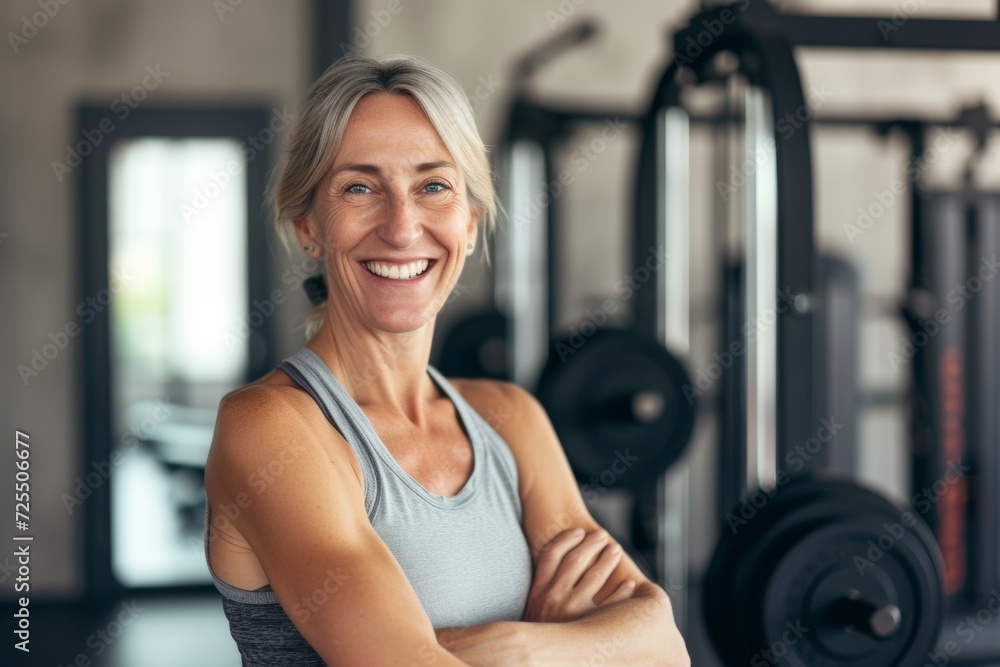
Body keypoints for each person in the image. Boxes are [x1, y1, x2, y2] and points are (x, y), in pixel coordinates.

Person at [203, 54, 690, 666]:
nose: (403, 228)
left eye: (434, 186)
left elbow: (663, 650)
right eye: (360, 187)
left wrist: (513, 649)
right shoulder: (272, 428)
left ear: (470, 220)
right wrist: (578, 647)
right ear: (309, 226)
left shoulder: (511, 419)